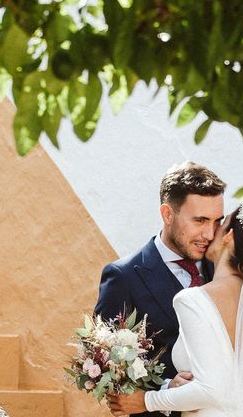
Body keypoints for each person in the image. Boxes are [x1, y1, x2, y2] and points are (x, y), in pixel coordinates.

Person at [107, 203, 243, 417]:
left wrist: (147, 400)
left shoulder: (194, 299)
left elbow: (211, 389)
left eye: (220, 225)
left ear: (228, 236)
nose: (211, 233)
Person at [94, 162, 227, 417]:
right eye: (200, 220)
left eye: (216, 221)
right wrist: (166, 390)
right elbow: (104, 367)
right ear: (167, 214)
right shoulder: (123, 277)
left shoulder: (222, 269)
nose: (210, 234)